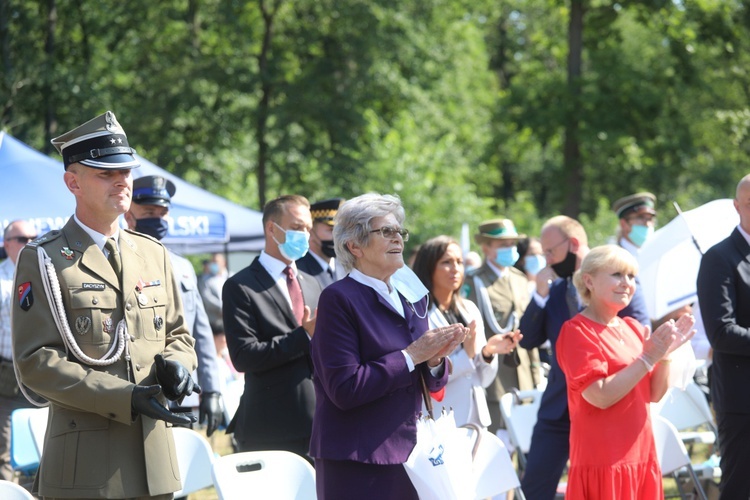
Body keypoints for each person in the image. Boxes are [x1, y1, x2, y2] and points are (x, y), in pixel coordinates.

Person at [12, 111, 199, 499]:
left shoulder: (153, 253)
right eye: (105, 173)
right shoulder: (44, 258)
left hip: (155, 463)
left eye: (126, 173)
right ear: (72, 182)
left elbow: (178, 333)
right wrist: (122, 396)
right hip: (87, 469)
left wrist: (180, 365)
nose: (121, 181)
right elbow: (35, 362)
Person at [309, 193, 465, 499]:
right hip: (357, 458)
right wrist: (411, 355)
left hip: (414, 453)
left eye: (400, 232)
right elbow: (344, 388)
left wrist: (435, 360)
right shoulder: (339, 299)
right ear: (354, 246)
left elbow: (431, 380)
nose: (398, 239)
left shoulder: (412, 295)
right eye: (386, 232)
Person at [518, 215, 650, 499]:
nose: (548, 260)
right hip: (558, 406)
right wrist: (539, 295)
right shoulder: (554, 290)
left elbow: (638, 339)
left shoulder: (621, 282)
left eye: (550, 251)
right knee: (535, 488)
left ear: (573, 244)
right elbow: (527, 338)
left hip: (608, 409)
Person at [557, 245, 695, 499]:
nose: (626, 283)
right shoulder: (577, 331)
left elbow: (652, 394)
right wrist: (648, 357)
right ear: (589, 280)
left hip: (640, 454)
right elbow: (599, 396)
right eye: (617, 275)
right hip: (603, 459)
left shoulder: (631, 327)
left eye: (631, 277)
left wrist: (663, 359)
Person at [222, 194, 323, 460]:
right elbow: (244, 356)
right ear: (272, 228)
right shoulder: (240, 286)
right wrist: (303, 336)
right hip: (270, 427)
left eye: (308, 229)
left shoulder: (312, 282)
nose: (305, 235)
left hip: (320, 426)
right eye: (297, 227)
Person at [125, 174, 224, 437]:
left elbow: (200, 332)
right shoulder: (117, 263)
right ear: (128, 214)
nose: (157, 218)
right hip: (138, 389)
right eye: (148, 211)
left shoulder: (182, 267)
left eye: (162, 212)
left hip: (183, 388)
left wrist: (212, 389)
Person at [412, 235, 521, 428]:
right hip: (441, 419)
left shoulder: (469, 308)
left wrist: (488, 353)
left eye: (459, 262)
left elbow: (484, 379)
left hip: (477, 418)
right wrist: (467, 356)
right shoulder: (419, 315)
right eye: (447, 262)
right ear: (428, 267)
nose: (455, 268)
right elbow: (426, 379)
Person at [697, 173, 750, 499]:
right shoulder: (719, 258)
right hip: (742, 398)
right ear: (737, 206)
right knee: (740, 488)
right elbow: (721, 332)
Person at [464, 219, 542, 441]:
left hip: (524, 373)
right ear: (486, 248)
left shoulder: (519, 279)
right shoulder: (474, 282)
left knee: (524, 443)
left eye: (512, 244)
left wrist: (536, 372)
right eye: (502, 245)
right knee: (494, 444)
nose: (510, 249)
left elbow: (528, 329)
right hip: (494, 377)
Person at [0, 220, 37, 482]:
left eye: (34, 237)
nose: (30, 242)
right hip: (6, 376)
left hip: (39, 373)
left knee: (38, 445)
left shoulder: (45, 273)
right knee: (5, 448)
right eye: (23, 238)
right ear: (6, 244)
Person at [296, 198, 345, 287]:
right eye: (331, 230)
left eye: (340, 231)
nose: (337, 237)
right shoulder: (298, 269)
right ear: (310, 231)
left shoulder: (347, 267)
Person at [198, 252, 228, 333]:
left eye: (216, 261)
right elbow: (206, 297)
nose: (213, 264)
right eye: (212, 261)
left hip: (229, 320)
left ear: (223, 262)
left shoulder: (230, 276)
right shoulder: (205, 279)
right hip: (213, 321)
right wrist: (222, 308)